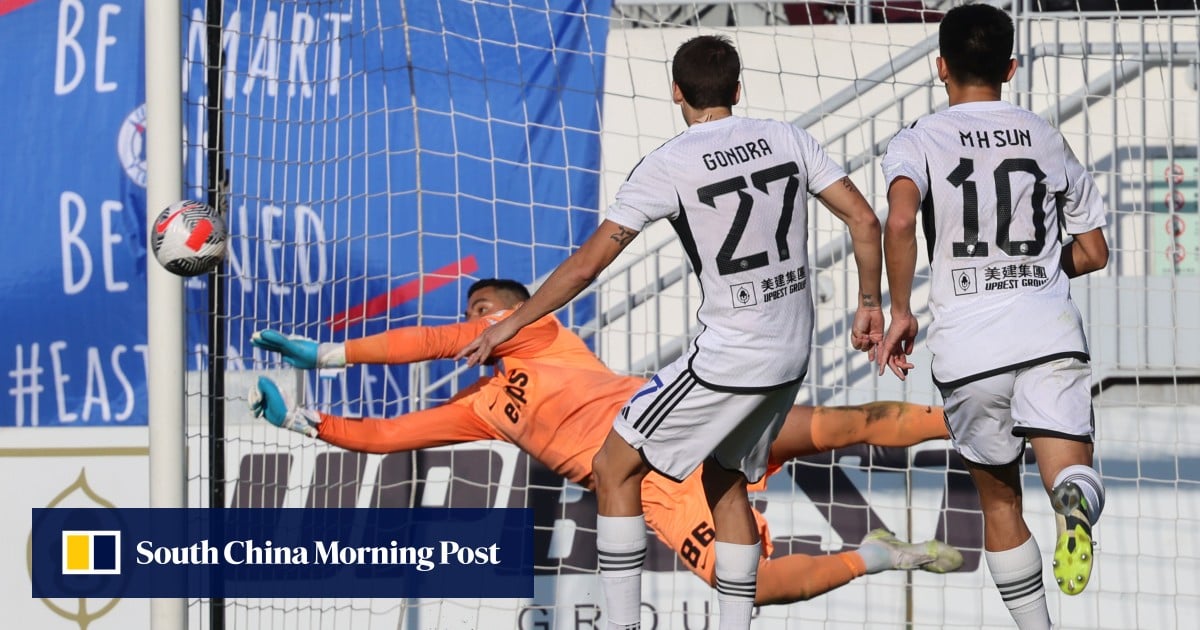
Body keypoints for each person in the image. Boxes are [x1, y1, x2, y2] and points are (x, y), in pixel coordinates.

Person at [456, 35, 888, 630]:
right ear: (738, 91)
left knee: (614, 466)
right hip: (792, 352)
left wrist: (512, 324)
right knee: (724, 478)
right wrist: (870, 304)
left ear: (677, 94)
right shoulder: (787, 137)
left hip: (728, 358)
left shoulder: (668, 163)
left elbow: (587, 265)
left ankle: (623, 624)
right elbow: (865, 219)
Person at [250, 278, 962, 609]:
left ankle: (973, 423)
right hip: (652, 488)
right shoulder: (485, 406)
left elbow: (432, 340)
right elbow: (387, 435)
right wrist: (299, 420)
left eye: (486, 311)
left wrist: (328, 357)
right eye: (472, 314)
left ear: (515, 312)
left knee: (845, 426)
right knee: (745, 587)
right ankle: (874, 556)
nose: (477, 323)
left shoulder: (541, 330)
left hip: (683, 419)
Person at [877, 4, 1109, 629]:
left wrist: (899, 310)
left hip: (969, 349)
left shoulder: (919, 138)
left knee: (1000, 502)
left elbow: (899, 220)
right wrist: (1037, 266)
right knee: (1073, 474)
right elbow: (1094, 251)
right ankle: (1076, 501)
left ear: (940, 67)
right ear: (1010, 67)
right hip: (1046, 333)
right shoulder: (1045, 135)